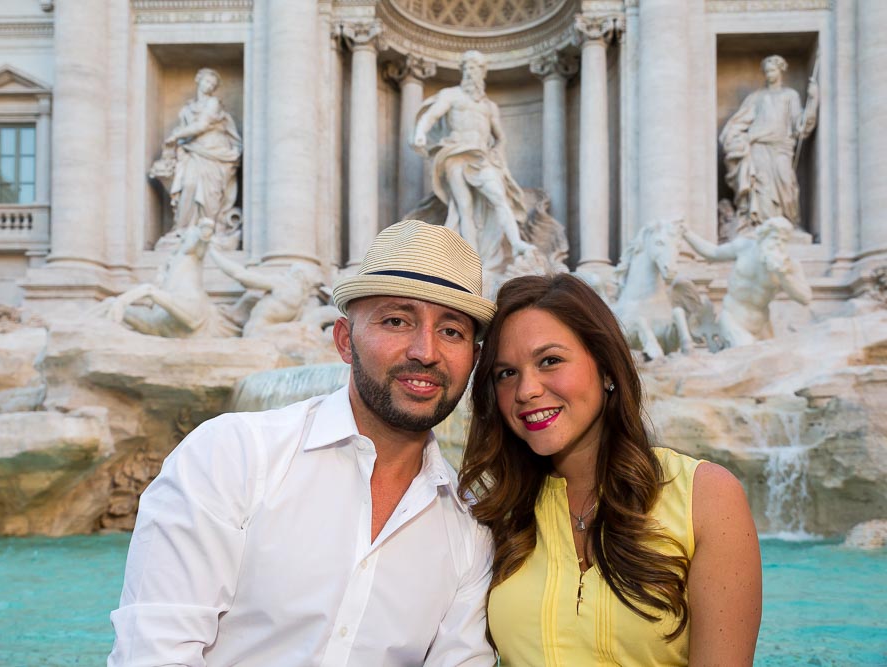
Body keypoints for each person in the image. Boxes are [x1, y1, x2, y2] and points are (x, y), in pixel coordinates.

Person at [108, 219, 498, 666]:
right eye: (396, 320)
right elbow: (154, 652)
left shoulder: (472, 528)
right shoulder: (230, 455)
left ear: (474, 358)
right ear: (344, 341)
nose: (425, 351)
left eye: (452, 331)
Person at [459, 273, 762, 666]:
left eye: (550, 361)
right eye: (506, 373)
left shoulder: (705, 497)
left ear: (606, 370)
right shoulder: (493, 514)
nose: (526, 390)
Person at [411, 50, 536, 274]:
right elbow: (431, 116)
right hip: (455, 153)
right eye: (467, 68)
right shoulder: (451, 95)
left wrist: (499, 155)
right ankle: (471, 257)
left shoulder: (489, 106)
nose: (471, 72)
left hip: (481, 157)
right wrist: (420, 133)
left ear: (482, 73)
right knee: (463, 206)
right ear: (462, 72)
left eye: (476, 68)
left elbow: (500, 137)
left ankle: (516, 243)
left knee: (499, 198)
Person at [720, 54, 818, 230]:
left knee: (786, 181)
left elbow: (799, 124)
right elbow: (740, 121)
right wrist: (733, 137)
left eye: (772, 70)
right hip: (758, 145)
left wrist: (813, 101)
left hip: (782, 146)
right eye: (766, 71)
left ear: (781, 71)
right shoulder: (756, 97)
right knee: (762, 185)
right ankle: (763, 227)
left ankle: (789, 223)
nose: (769, 74)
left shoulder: (790, 95)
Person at [682, 215, 812, 348]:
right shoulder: (743, 247)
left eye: (783, 240)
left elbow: (805, 298)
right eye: (774, 238)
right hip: (733, 318)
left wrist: (784, 275)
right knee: (746, 352)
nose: (778, 243)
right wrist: (687, 233)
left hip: (762, 325)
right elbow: (713, 252)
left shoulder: (789, 266)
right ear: (763, 237)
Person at [107, 217, 222, 338]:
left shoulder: (192, 294)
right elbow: (152, 323)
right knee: (109, 303)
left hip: (204, 319)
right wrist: (118, 304)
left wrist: (128, 298)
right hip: (165, 313)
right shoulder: (174, 264)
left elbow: (192, 320)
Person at [164, 67, 242, 234]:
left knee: (211, 193)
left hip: (215, 153)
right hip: (194, 152)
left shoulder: (213, 103)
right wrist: (177, 142)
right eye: (207, 81)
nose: (209, 86)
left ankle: (208, 231)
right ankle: (183, 229)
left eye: (213, 85)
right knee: (189, 184)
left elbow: (202, 125)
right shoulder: (186, 109)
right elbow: (187, 130)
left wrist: (176, 135)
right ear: (198, 80)